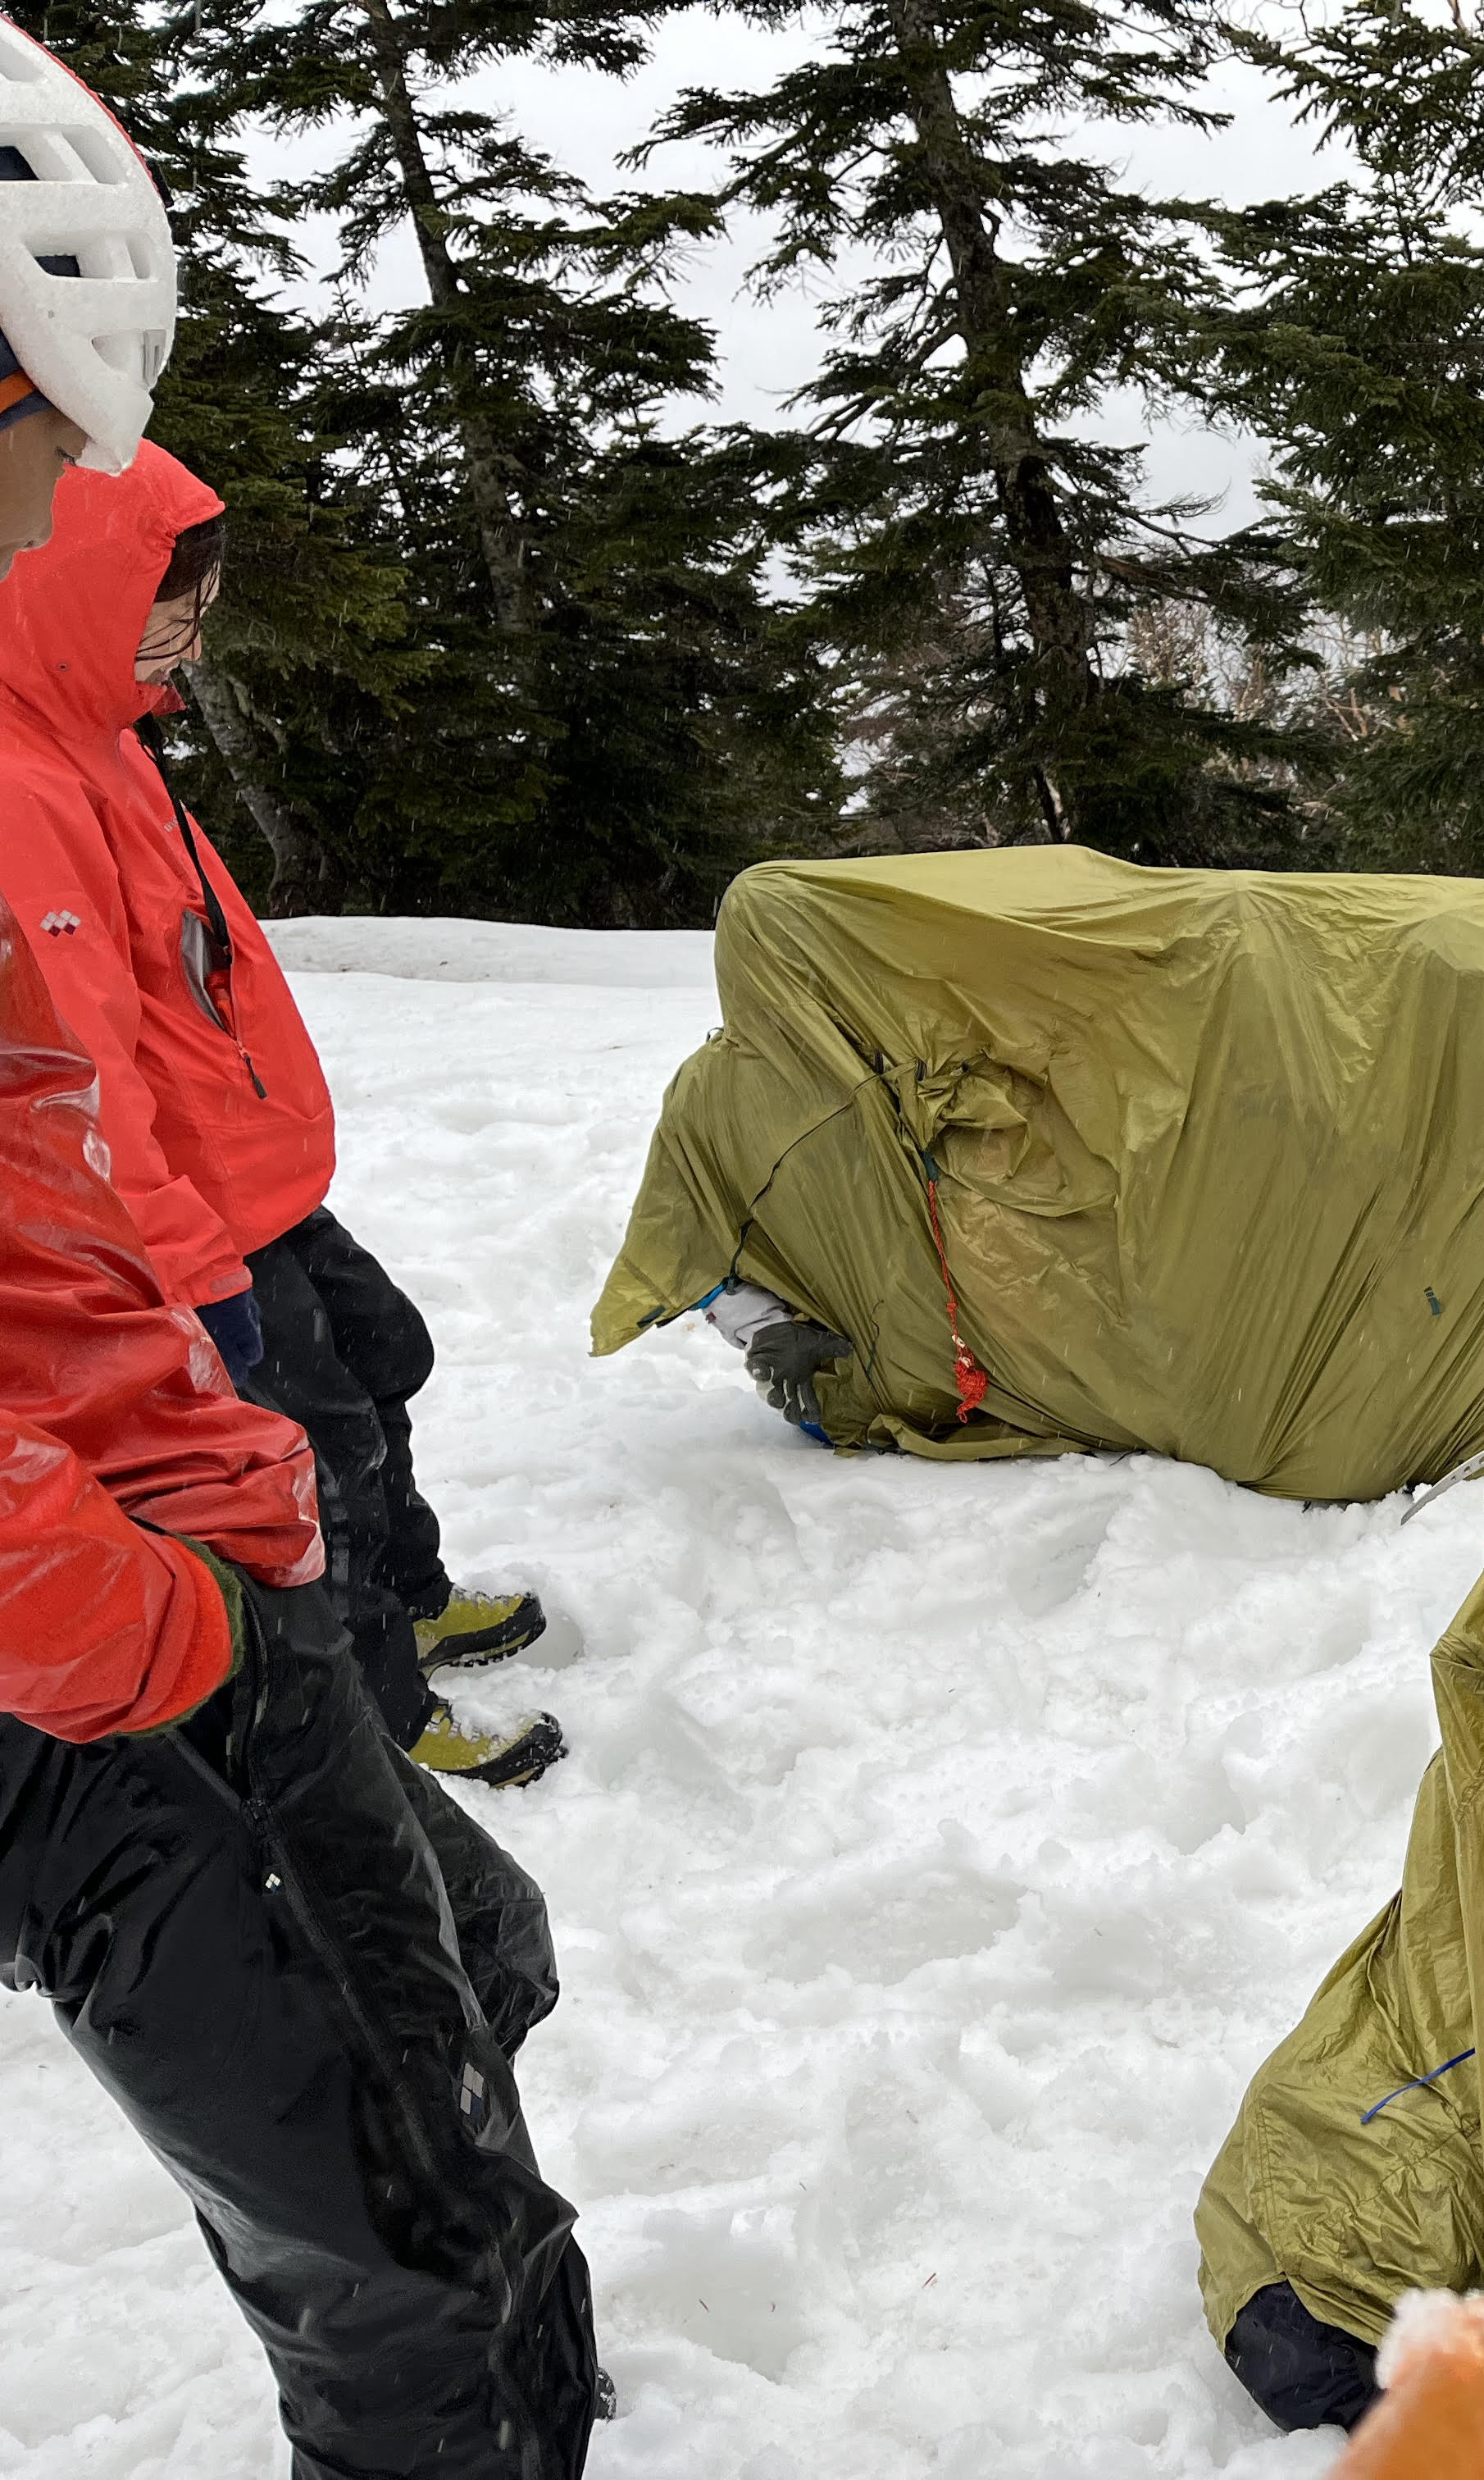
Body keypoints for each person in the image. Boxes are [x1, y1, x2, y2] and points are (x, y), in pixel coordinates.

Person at [0, 33, 600, 2459]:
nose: (105, 495)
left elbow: (62, 1193)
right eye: (67, 443)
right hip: (70, 1652)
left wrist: (218, 1482)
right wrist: (138, 1607)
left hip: (143, 1567)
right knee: (404, 2234)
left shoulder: (54, 745)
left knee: (479, 1964)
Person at [0, 438, 565, 1782]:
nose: (192, 625)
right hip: (186, 1230)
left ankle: (411, 1607)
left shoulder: (112, 735)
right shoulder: (24, 790)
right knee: (318, 1461)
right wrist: (191, 1279)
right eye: (163, 595)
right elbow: (76, 1077)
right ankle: (377, 1703)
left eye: (196, 591)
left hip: (256, 1184)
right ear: (64, 587)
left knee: (383, 1363)